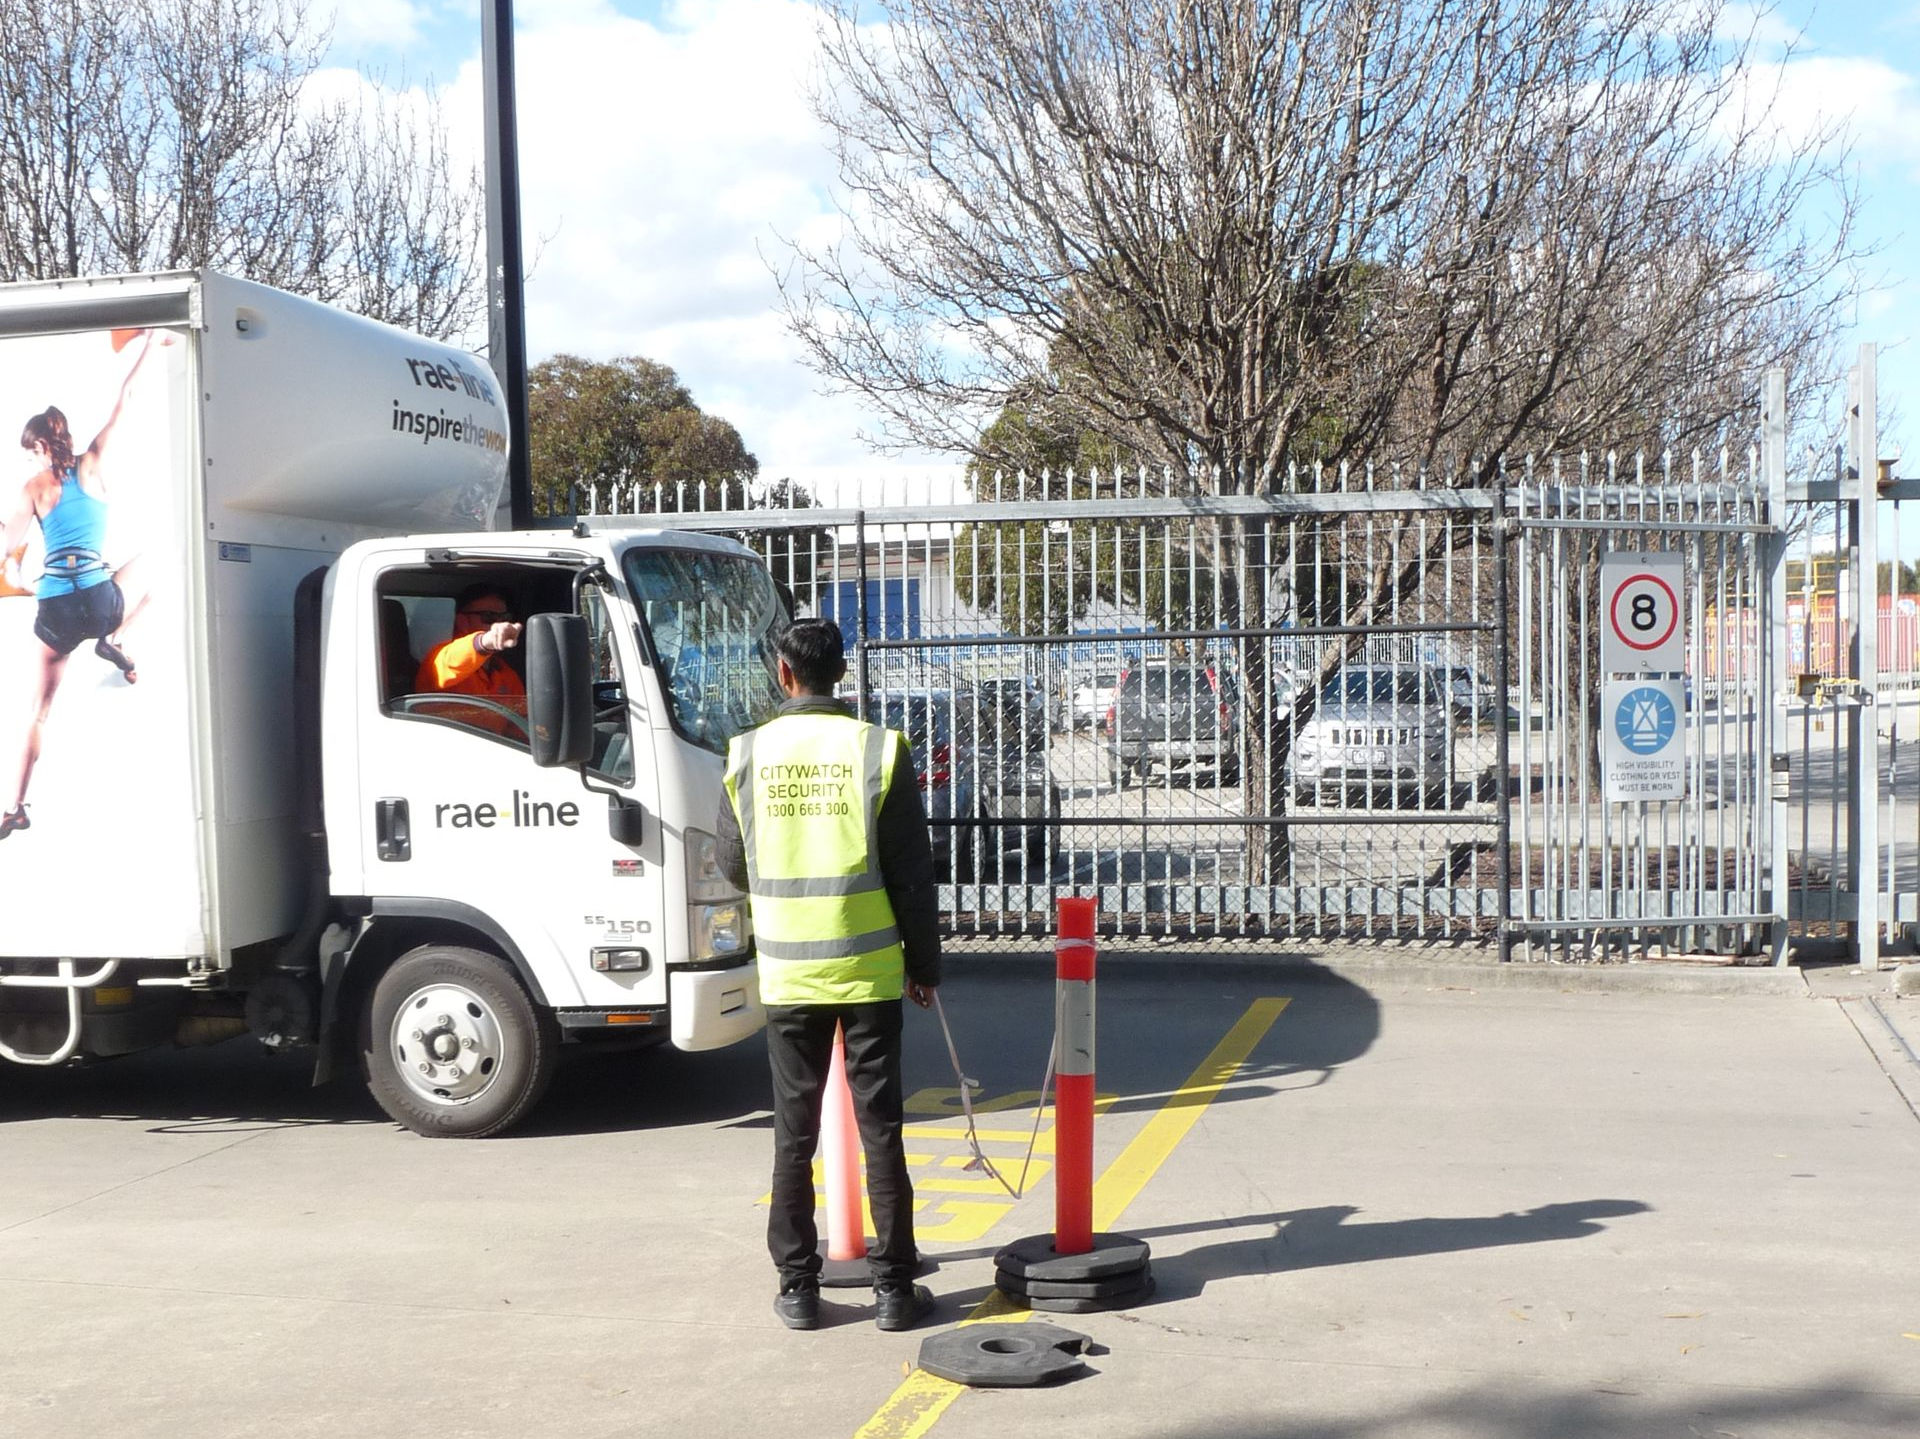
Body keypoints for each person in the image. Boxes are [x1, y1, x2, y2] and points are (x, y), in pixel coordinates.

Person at [716, 617, 941, 1333]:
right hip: (869, 968)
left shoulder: (746, 754)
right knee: (882, 1128)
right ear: (841, 673)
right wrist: (924, 964)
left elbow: (730, 860)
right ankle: (894, 1290)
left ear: (784, 673)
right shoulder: (878, 749)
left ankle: (797, 1289)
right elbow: (911, 874)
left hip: (788, 973)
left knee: (794, 1130)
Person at [0, 329, 164, 839]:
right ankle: (119, 639)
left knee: (39, 712)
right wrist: (149, 342)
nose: (31, 461)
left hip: (55, 607)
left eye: (30, 451)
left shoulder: (31, 488)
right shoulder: (92, 463)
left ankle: (15, 806)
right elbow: (125, 399)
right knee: (154, 568)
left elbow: (8, 546)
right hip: (99, 598)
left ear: (41, 444)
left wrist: (15, 574)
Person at [414, 584, 525, 736]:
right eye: (489, 616)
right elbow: (454, 660)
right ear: (462, 621)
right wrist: (486, 641)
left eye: (504, 617)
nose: (498, 624)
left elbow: (519, 726)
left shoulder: (506, 674)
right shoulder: (440, 658)